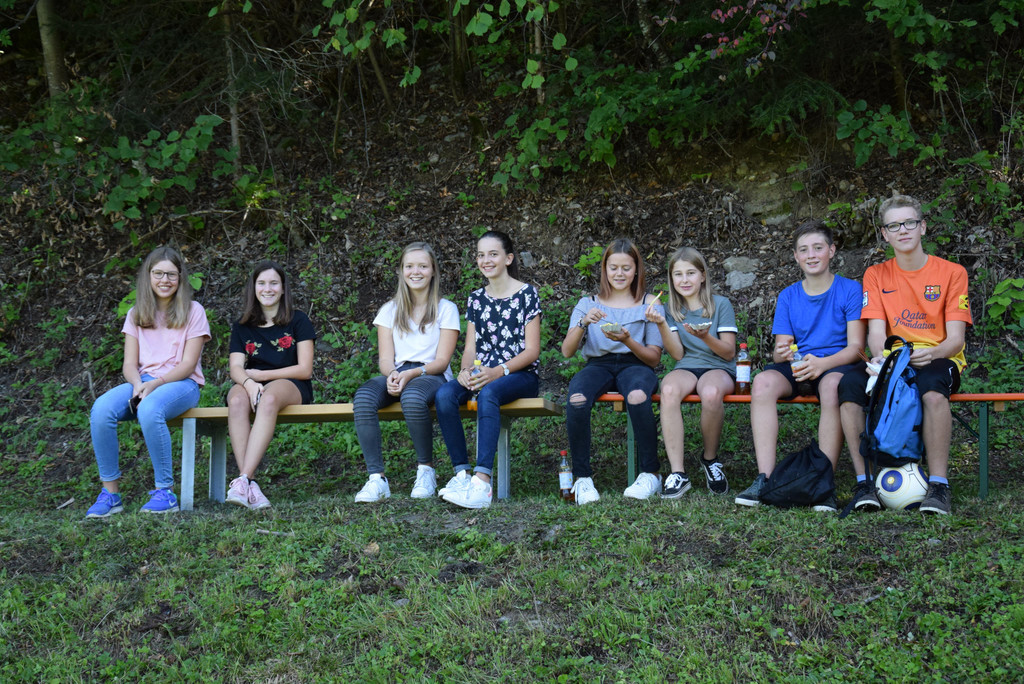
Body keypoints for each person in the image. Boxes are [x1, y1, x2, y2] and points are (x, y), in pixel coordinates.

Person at [838, 194, 971, 515]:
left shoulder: (952, 273)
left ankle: (938, 486)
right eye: (894, 226)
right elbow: (876, 333)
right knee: (849, 386)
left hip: (938, 357)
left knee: (932, 390)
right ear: (885, 234)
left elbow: (955, 339)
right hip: (894, 360)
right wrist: (881, 358)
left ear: (922, 227)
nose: (903, 230)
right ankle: (865, 483)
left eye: (910, 222)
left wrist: (932, 353)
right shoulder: (876, 274)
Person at [734, 220, 865, 512]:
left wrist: (822, 364)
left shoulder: (850, 289)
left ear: (832, 251)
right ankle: (765, 479)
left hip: (836, 364)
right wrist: (782, 352)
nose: (811, 255)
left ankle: (823, 484)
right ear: (795, 256)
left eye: (818, 248)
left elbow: (857, 348)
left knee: (832, 386)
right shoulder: (789, 295)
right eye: (804, 250)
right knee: (762, 382)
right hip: (801, 365)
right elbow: (781, 350)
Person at [86, 246, 211, 517]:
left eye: (171, 274)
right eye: (158, 273)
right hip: (142, 381)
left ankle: (165, 492)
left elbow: (188, 364)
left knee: (149, 408)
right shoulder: (135, 314)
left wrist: (154, 385)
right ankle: (111, 494)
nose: (165, 280)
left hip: (182, 384)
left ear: (180, 278)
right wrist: (137, 384)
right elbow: (129, 365)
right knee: (101, 409)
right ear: (148, 276)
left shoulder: (194, 311)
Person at [435, 230, 541, 509]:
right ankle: (461, 475)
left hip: (520, 375)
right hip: (483, 373)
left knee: (489, 393)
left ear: (508, 258)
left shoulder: (527, 294)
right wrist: (465, 370)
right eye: (481, 255)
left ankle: (482, 482)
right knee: (445, 395)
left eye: (493, 254)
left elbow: (532, 351)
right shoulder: (475, 298)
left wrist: (498, 371)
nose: (486, 260)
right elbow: (470, 347)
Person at [352, 242, 459, 502]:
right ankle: (377, 479)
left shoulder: (446, 308)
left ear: (433, 271)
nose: (416, 272)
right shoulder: (389, 310)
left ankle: (426, 471)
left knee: (412, 397)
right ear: (401, 271)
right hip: (399, 372)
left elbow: (442, 361)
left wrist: (411, 374)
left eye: (423, 266)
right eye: (409, 266)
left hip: (431, 375)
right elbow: (385, 359)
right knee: (364, 397)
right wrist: (392, 374)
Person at [561, 238, 664, 505]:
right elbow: (567, 351)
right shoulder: (588, 303)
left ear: (636, 270)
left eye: (626, 268)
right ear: (604, 269)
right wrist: (584, 323)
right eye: (613, 268)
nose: (620, 274)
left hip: (636, 364)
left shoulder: (650, 303)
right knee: (577, 399)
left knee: (638, 396)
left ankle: (650, 473)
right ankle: (583, 478)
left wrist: (628, 340)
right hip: (598, 364)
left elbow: (654, 358)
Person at [225, 260, 315, 510]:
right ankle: (249, 484)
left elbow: (305, 369)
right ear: (253, 288)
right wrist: (248, 382)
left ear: (283, 288)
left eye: (274, 283)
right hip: (251, 382)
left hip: (291, 384)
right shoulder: (242, 326)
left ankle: (243, 479)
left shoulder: (298, 320)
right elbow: (235, 367)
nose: (267, 289)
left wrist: (261, 377)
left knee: (269, 398)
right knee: (236, 399)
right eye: (262, 283)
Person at [646, 247, 735, 498]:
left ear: (703, 276)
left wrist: (705, 336)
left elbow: (729, 352)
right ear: (671, 279)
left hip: (718, 366)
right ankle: (678, 473)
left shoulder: (721, 305)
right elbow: (677, 354)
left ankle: (710, 460)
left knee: (711, 392)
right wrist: (662, 324)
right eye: (678, 274)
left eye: (691, 273)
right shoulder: (670, 310)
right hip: (687, 366)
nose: (684, 280)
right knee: (669, 389)